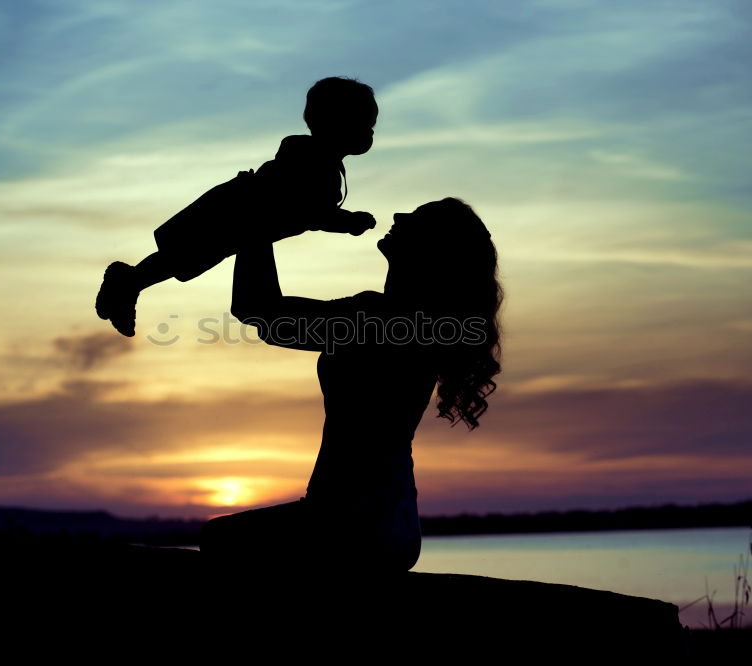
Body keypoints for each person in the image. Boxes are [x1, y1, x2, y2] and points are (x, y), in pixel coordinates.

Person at [199, 197, 503, 576]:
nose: (398, 215)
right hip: (391, 527)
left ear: (431, 249)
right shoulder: (415, 322)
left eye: (416, 218)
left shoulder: (379, 318)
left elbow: (259, 310)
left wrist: (258, 221)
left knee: (219, 538)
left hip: (350, 525)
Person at [95, 76, 380, 337]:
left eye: (371, 126)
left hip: (238, 218)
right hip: (234, 214)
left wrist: (343, 220)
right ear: (337, 123)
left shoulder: (320, 163)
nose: (370, 134)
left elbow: (309, 211)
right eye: (365, 125)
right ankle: (128, 281)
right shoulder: (314, 164)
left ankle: (129, 282)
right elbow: (308, 211)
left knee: (184, 257)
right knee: (184, 255)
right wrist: (347, 222)